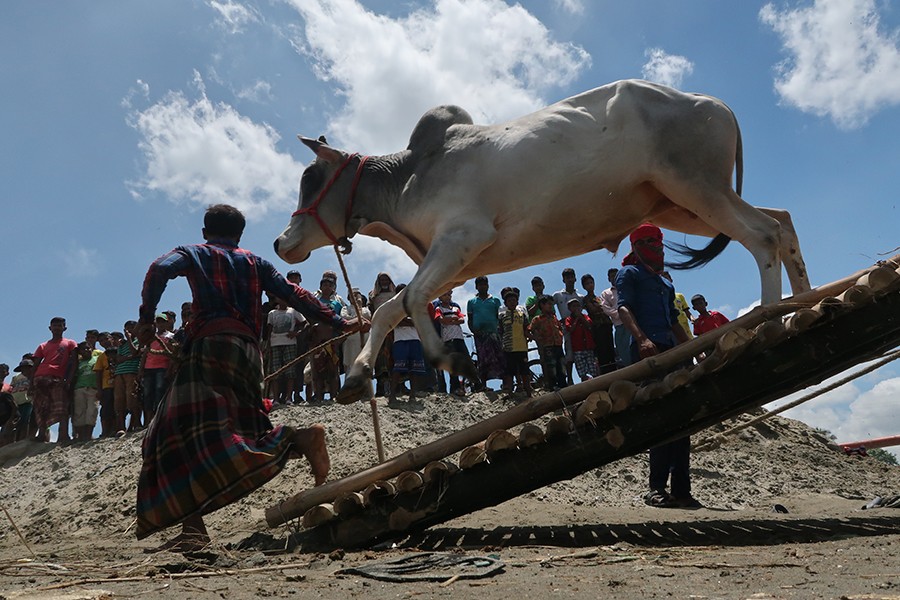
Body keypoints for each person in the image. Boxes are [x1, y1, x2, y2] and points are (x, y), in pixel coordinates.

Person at [133, 203, 368, 552]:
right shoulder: (255, 262)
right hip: (247, 352)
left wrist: (147, 318)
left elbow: (158, 269)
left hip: (209, 346)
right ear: (240, 235)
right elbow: (294, 294)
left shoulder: (194, 252)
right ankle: (197, 525)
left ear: (204, 232)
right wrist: (339, 322)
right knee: (245, 427)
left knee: (170, 433)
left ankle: (296, 442)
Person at [616, 223, 695, 509]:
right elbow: (624, 308)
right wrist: (641, 339)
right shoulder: (630, 273)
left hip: (672, 352)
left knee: (682, 420)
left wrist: (689, 347)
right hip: (648, 352)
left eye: (658, 240)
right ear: (636, 246)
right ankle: (656, 488)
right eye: (648, 241)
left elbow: (674, 319)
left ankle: (682, 490)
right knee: (660, 417)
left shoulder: (665, 281)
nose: (656, 246)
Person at [31, 317, 78, 443]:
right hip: (40, 377)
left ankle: (63, 435)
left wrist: (68, 380)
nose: (57, 328)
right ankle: (41, 434)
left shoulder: (70, 343)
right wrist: (31, 382)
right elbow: (35, 364)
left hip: (58, 378)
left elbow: (74, 362)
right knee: (42, 407)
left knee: (61, 406)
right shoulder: (43, 345)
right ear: (49, 328)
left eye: (59, 325)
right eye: (54, 326)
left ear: (64, 328)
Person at [264, 297, 307, 405]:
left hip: (290, 343)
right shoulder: (272, 313)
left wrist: (296, 333)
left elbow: (305, 323)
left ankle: (289, 397)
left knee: (290, 371)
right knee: (275, 371)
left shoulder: (293, 311)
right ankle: (276, 399)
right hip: (275, 343)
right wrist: (268, 344)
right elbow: (269, 329)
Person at [467, 276, 505, 388]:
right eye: (480, 284)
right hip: (480, 336)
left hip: (494, 334)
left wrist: (500, 332)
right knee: (483, 360)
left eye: (484, 284)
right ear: (476, 287)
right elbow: (470, 319)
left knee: (499, 358)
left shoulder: (495, 300)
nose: (482, 286)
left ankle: (505, 384)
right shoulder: (471, 302)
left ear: (488, 285)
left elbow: (500, 318)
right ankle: (484, 385)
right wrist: (474, 331)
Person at [433, 290, 474, 396]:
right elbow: (441, 320)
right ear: (440, 297)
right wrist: (454, 319)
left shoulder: (455, 307)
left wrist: (450, 320)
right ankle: (454, 388)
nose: (447, 297)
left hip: (459, 338)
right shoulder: (438, 308)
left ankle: (474, 384)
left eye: (449, 295)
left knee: (467, 360)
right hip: (447, 339)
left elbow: (462, 319)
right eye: (445, 295)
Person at [498, 287, 533, 396]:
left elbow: (526, 329)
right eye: (509, 301)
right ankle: (509, 392)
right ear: (505, 303)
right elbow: (500, 331)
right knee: (509, 371)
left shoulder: (522, 315)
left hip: (521, 347)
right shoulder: (502, 316)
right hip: (508, 348)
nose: (512, 302)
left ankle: (528, 391)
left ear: (517, 301)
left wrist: (534, 337)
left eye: (514, 300)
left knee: (524, 371)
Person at [528, 295, 567, 390]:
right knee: (551, 367)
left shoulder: (554, 318)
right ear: (542, 305)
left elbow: (559, 328)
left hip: (558, 345)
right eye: (548, 304)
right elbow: (529, 330)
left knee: (561, 366)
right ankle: (553, 386)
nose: (551, 306)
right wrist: (536, 338)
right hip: (547, 346)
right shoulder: (537, 319)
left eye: (551, 304)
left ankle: (563, 385)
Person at [581, 273, 616, 374]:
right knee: (602, 350)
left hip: (606, 324)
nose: (590, 285)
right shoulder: (586, 299)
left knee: (610, 348)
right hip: (597, 327)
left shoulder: (598, 298)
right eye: (587, 284)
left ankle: (613, 368)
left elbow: (605, 309)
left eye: (591, 282)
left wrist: (602, 308)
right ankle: (605, 371)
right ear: (584, 286)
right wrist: (601, 308)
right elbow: (593, 310)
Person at [369, 272, 397, 397]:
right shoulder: (373, 295)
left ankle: (397, 387)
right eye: (382, 280)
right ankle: (381, 387)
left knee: (394, 355)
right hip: (379, 329)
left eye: (386, 279)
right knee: (380, 358)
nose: (384, 282)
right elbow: (370, 310)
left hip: (394, 329)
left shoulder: (395, 294)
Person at [553, 268, 581, 385]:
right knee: (569, 353)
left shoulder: (580, 297)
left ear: (575, 278)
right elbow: (549, 307)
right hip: (566, 327)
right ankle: (569, 379)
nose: (570, 279)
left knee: (581, 351)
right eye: (567, 277)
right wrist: (557, 321)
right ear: (563, 280)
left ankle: (584, 377)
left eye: (571, 277)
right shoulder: (558, 295)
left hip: (579, 326)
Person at [113, 321, 143, 434]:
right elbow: (118, 359)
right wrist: (130, 357)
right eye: (127, 328)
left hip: (132, 372)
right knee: (119, 400)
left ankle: (136, 424)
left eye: (132, 328)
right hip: (119, 373)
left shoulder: (139, 340)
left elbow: (136, 352)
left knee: (132, 398)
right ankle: (121, 427)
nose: (130, 330)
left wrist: (129, 340)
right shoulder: (122, 344)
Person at [564, 297, 601, 381]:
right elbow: (570, 329)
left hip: (588, 347)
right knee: (582, 372)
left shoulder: (585, 317)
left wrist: (581, 317)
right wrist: (577, 319)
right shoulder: (568, 319)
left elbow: (589, 326)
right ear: (570, 309)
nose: (576, 308)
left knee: (593, 370)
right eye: (574, 306)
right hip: (578, 349)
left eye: (578, 306)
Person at [600, 268, 631, 368]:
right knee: (624, 351)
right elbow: (605, 308)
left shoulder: (626, 288)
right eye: (612, 276)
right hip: (619, 325)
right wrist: (620, 314)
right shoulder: (606, 293)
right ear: (608, 279)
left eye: (616, 275)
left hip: (633, 322)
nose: (614, 277)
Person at [70, 342, 100, 442]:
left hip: (93, 388)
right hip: (79, 388)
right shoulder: (78, 362)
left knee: (92, 411)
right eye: (83, 349)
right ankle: (80, 435)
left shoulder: (97, 359)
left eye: (88, 348)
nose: (86, 350)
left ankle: (88, 434)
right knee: (79, 412)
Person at [9, 359, 34, 441]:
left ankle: (22, 440)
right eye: (22, 369)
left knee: (24, 421)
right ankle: (12, 442)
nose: (23, 371)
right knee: (12, 423)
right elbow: (11, 388)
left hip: (27, 402)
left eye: (25, 368)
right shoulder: (16, 378)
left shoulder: (34, 377)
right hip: (15, 403)